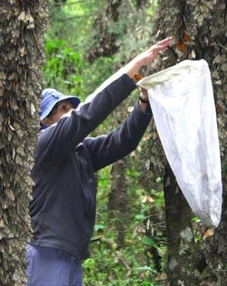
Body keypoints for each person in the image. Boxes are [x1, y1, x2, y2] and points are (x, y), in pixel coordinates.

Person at [26, 37, 172, 286]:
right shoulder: (44, 144)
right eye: (61, 109)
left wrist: (144, 103)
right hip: (46, 251)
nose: (69, 112)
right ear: (46, 120)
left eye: (69, 107)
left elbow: (121, 142)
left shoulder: (79, 151)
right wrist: (133, 67)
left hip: (71, 256)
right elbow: (87, 115)